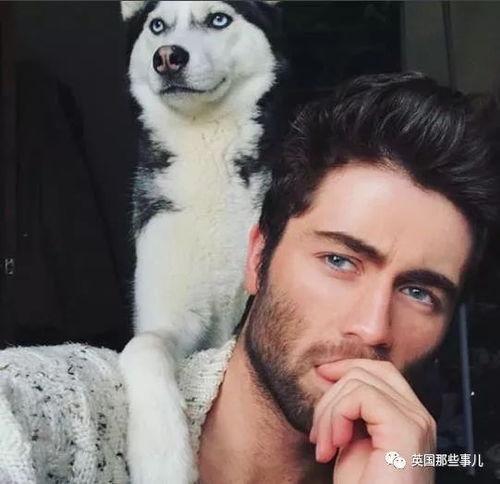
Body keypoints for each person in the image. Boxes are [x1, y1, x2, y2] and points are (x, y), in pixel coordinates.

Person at [0, 72, 498, 484]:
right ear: (258, 257)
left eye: (418, 292)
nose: (372, 328)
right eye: (339, 260)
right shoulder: (69, 413)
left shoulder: (418, 468)